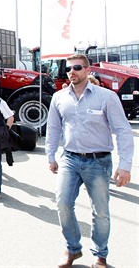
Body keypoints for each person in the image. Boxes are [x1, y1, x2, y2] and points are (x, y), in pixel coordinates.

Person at [45, 54, 134, 268]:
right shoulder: (59, 97)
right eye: (68, 69)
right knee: (63, 203)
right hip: (70, 159)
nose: (71, 72)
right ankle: (73, 249)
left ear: (87, 70)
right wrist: (50, 156)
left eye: (76, 67)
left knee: (100, 211)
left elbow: (123, 130)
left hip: (99, 161)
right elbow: (53, 128)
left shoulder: (106, 97)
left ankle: (100, 255)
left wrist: (125, 165)